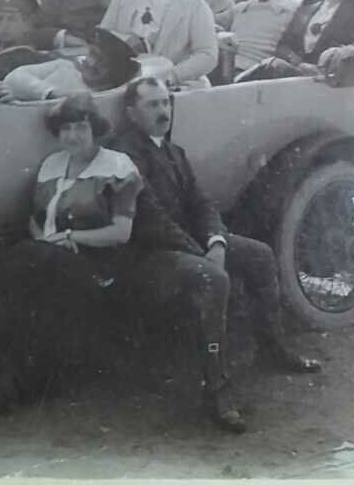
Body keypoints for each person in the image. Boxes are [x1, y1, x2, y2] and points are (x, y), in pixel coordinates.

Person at [108, 77, 322, 434]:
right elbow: (149, 219)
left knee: (261, 255)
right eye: (153, 105)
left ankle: (272, 346)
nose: (163, 111)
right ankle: (217, 394)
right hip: (147, 254)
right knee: (214, 278)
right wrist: (202, 254)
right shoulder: (124, 154)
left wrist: (217, 242)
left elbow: (201, 203)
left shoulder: (172, 151)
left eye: (166, 103)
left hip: (186, 245)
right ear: (131, 113)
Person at [0, 93, 143, 421]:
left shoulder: (118, 166)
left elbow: (121, 233)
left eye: (81, 127)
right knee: (27, 286)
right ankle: (1, 388)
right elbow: (34, 220)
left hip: (97, 265)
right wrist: (47, 242)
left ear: (94, 128)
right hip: (49, 259)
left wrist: (68, 238)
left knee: (25, 258)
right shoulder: (52, 165)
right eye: (65, 129)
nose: (73, 136)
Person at [0, 27, 139, 102]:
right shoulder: (65, 67)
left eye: (102, 63)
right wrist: (54, 93)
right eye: (92, 54)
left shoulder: (104, 98)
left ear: (116, 72)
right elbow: (15, 77)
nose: (91, 63)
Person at [222, 0, 299, 74]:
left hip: (259, 75)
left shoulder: (293, 10)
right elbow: (207, 24)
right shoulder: (240, 9)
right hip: (225, 68)